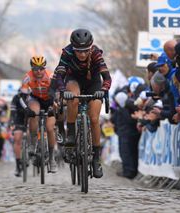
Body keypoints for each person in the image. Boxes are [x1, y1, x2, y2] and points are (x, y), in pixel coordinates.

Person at [49, 28, 112, 178]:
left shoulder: (96, 53)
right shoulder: (67, 53)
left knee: (95, 118)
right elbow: (59, 75)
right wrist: (64, 91)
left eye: (85, 51)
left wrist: (103, 90)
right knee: (73, 98)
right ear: (73, 48)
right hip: (74, 80)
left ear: (90, 47)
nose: (82, 54)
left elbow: (107, 78)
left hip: (93, 83)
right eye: (79, 51)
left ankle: (96, 159)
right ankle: (71, 134)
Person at [11, 55, 57, 177]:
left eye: (41, 68)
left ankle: (52, 158)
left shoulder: (51, 76)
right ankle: (32, 143)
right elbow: (22, 96)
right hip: (35, 99)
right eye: (35, 69)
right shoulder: (27, 77)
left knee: (50, 128)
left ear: (44, 68)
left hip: (49, 100)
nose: (38, 71)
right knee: (34, 114)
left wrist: (55, 107)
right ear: (32, 68)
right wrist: (26, 109)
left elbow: (58, 94)